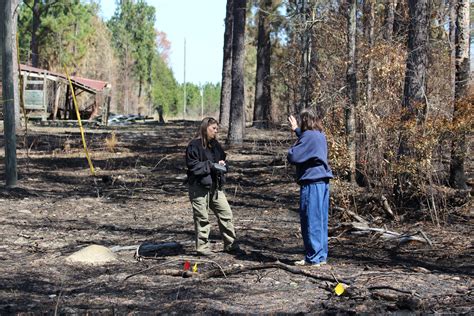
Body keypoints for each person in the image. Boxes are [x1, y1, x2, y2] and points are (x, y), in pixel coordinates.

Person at [185, 117, 239, 256]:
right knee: (202, 218)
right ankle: (202, 248)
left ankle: (231, 245)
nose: (216, 131)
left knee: (226, 215)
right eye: (213, 129)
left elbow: (223, 160)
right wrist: (210, 166)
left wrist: (222, 165)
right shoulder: (194, 145)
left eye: (217, 129)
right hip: (199, 188)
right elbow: (193, 167)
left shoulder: (215, 145)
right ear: (205, 128)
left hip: (215, 187)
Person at [287, 109, 333, 266]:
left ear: (304, 120)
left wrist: (292, 146)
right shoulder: (320, 135)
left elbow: (293, 155)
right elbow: (308, 143)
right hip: (323, 182)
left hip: (311, 183)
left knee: (310, 220)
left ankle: (313, 258)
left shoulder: (308, 136)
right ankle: (321, 256)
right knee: (320, 220)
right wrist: (296, 131)